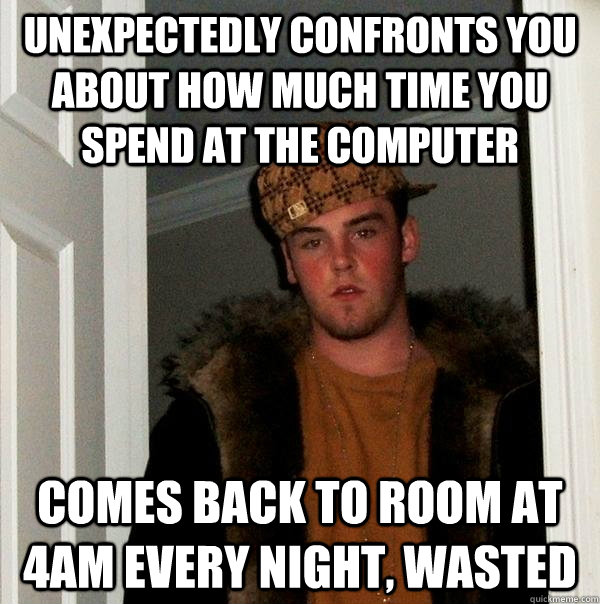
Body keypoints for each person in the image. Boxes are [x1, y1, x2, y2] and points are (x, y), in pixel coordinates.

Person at [125, 124, 543, 604]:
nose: (341, 260)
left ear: (406, 240)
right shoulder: (209, 422)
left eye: (363, 232)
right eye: (313, 242)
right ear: (289, 263)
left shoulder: (515, 409)